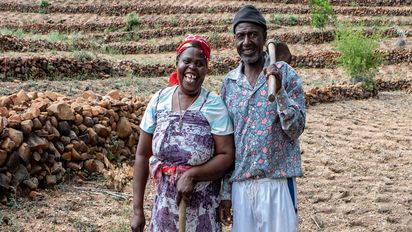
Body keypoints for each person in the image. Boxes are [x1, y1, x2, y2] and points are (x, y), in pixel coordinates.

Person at [130, 34, 235, 232]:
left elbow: (227, 155)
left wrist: (193, 175)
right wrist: (137, 211)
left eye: (199, 63)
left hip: (203, 209)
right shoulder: (158, 100)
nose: (192, 68)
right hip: (163, 208)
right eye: (186, 61)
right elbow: (143, 155)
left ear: (206, 69)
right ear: (177, 63)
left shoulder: (214, 106)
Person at [218, 5, 306, 232]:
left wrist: (280, 93)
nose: (246, 42)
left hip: (277, 183)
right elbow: (227, 143)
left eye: (253, 35)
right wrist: (226, 193)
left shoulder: (285, 73)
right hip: (241, 186)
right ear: (234, 41)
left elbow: (296, 129)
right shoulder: (229, 84)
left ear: (264, 37)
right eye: (240, 36)